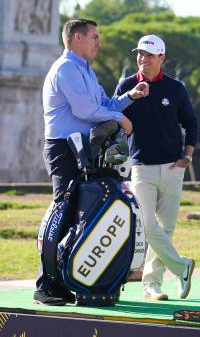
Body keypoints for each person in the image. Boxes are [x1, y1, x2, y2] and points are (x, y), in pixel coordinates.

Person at [35, 19, 150, 305]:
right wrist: (119, 119)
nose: (99, 42)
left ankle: (69, 278)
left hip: (82, 149)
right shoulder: (65, 69)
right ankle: (45, 285)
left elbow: (104, 104)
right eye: (94, 37)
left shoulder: (85, 70)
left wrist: (129, 98)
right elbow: (86, 110)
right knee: (63, 210)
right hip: (63, 148)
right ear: (76, 38)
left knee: (80, 215)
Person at [115, 35, 198, 301]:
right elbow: (113, 115)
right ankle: (182, 267)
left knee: (166, 228)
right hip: (141, 167)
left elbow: (191, 123)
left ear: (161, 58)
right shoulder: (127, 85)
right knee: (148, 224)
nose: (143, 58)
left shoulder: (176, 88)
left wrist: (187, 156)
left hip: (173, 167)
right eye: (140, 53)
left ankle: (152, 285)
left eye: (149, 55)